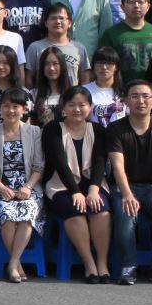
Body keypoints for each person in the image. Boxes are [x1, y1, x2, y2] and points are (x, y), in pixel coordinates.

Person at [105, 80, 152, 286]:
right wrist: (127, 194)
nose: (141, 101)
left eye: (146, 96)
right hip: (124, 187)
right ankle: (128, 265)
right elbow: (117, 166)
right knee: (126, 214)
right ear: (126, 101)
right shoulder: (115, 129)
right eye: (135, 96)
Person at [42, 86, 112, 283]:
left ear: (90, 107)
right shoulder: (53, 129)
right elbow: (59, 162)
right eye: (71, 105)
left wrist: (93, 190)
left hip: (93, 183)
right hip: (61, 185)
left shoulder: (97, 130)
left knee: (101, 210)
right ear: (63, 107)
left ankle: (102, 262)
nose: (77, 109)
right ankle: (89, 264)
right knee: (76, 211)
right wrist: (75, 191)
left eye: (82, 105)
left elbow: (99, 162)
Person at [0, 90, 45, 283]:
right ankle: (17, 265)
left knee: (27, 212)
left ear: (23, 109)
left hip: (29, 187)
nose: (10, 110)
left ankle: (12, 263)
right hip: (2, 187)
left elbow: (39, 166)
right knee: (8, 215)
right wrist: (0, 187)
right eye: (6, 106)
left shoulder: (34, 132)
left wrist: (28, 187)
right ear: (0, 108)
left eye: (15, 106)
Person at [100, 0, 152, 84]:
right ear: (122, 7)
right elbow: (103, 65)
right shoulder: (111, 33)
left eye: (141, 1)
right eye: (131, 1)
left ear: (148, 6)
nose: (136, 5)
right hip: (121, 89)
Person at [24, 3, 89, 87]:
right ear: (46, 23)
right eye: (53, 18)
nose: (58, 21)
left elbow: (85, 80)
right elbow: (28, 79)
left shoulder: (79, 48)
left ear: (69, 23)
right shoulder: (35, 48)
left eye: (61, 18)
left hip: (71, 95)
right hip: (43, 94)